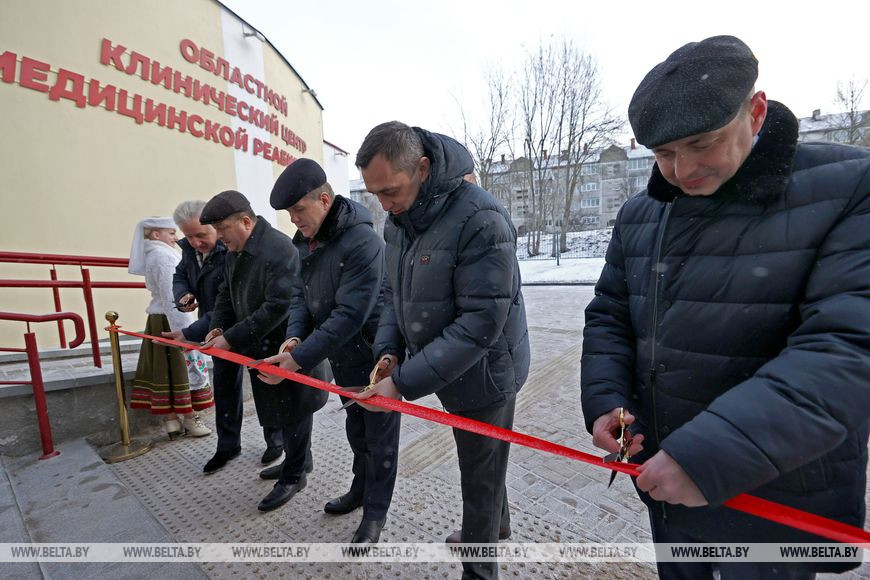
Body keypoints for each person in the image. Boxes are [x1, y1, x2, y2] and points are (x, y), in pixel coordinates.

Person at [581, 35, 870, 579]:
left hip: (772, 494)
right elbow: (610, 314)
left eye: (701, 143)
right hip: (668, 483)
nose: (682, 170)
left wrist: (711, 456)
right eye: (663, 153)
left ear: (756, 112)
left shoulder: (850, 187)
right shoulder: (642, 214)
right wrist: (607, 400)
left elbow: (848, 348)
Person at [354, 122, 530, 579]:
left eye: (390, 191)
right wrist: (389, 352)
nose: (385, 205)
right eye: (375, 194)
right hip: (446, 367)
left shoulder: (480, 218)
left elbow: (479, 324)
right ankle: (497, 523)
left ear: (423, 168)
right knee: (484, 459)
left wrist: (405, 383)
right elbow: (394, 292)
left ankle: (480, 567)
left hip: (487, 372)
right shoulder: (400, 221)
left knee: (479, 474)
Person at [261, 158, 400, 544]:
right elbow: (299, 298)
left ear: (324, 200)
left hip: (374, 355)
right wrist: (292, 340)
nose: (293, 219)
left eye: (298, 210)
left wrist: (299, 358)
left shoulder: (363, 242)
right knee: (357, 430)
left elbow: (351, 314)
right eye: (289, 213)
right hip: (342, 354)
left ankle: (376, 513)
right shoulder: (307, 243)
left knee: (380, 438)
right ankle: (360, 490)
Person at [199, 190, 328, 512]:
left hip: (286, 345)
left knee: (295, 409)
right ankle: (300, 462)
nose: (219, 238)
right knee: (280, 410)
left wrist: (230, 338)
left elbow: (279, 306)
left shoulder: (278, 249)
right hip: (259, 345)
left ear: (245, 221)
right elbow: (225, 296)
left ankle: (294, 475)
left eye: (223, 230)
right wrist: (218, 328)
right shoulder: (235, 252)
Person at [161, 200, 284, 474]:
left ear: (216, 228)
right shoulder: (190, 251)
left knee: (264, 383)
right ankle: (228, 446)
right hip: (215, 328)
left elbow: (225, 301)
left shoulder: (232, 250)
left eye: (201, 235)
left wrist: (191, 333)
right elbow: (180, 275)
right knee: (225, 387)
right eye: (189, 236)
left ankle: (275, 441)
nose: (195, 242)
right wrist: (183, 296)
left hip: (246, 326)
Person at [128, 217, 214, 438]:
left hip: (159, 320)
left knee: (165, 372)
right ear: (156, 235)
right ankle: (190, 418)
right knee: (181, 370)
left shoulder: (155, 254)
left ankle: (171, 421)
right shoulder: (163, 256)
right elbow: (172, 297)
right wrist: (186, 331)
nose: (177, 238)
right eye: (171, 233)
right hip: (171, 320)